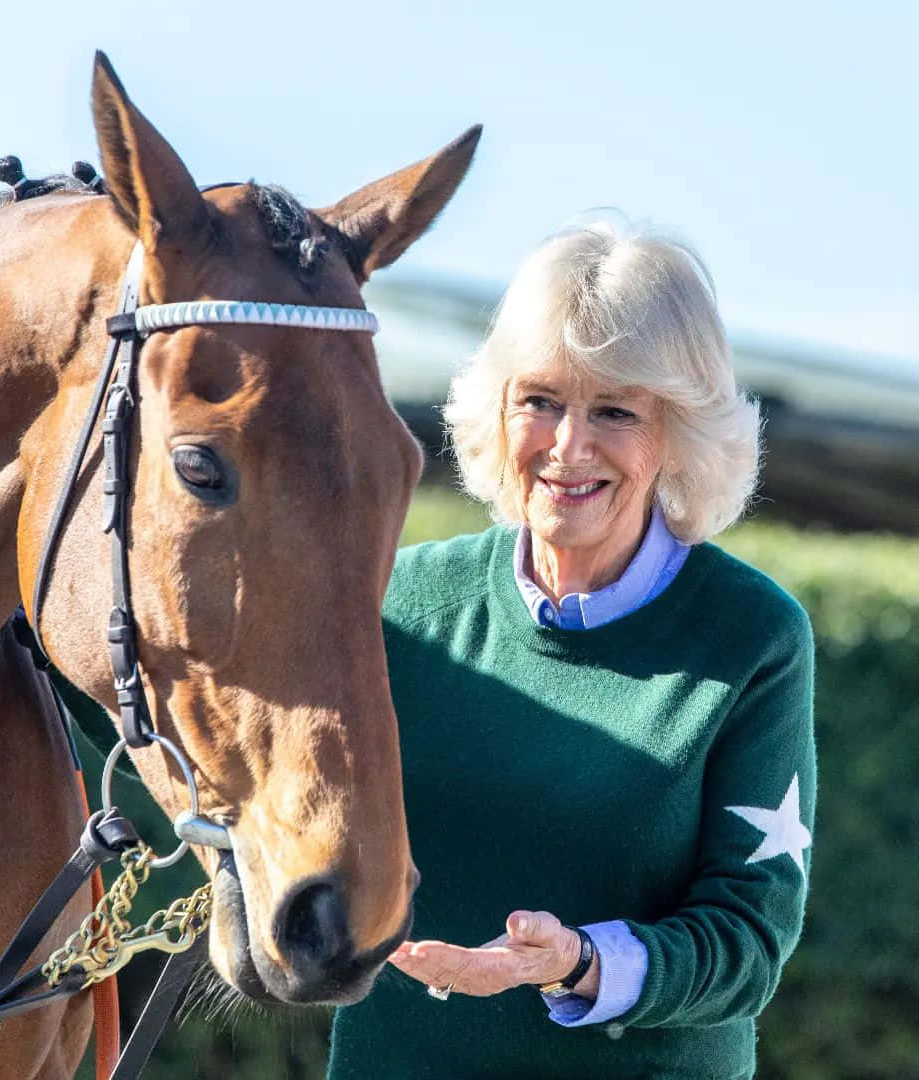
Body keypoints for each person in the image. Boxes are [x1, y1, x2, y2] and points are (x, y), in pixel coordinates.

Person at [327, 217, 815, 1080]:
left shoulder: (753, 637)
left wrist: (577, 963)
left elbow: (750, 939)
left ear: (678, 435)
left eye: (615, 411)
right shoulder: (398, 602)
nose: (568, 446)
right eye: (540, 401)